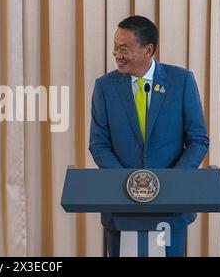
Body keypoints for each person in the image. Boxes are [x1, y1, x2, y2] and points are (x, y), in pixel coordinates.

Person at [89, 15, 209, 257]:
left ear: (148, 50)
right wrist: (129, 185)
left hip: (171, 210)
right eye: (115, 47)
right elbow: (98, 144)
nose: (117, 54)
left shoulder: (181, 80)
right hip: (120, 209)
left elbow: (198, 140)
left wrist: (171, 183)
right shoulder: (105, 86)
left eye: (124, 49)